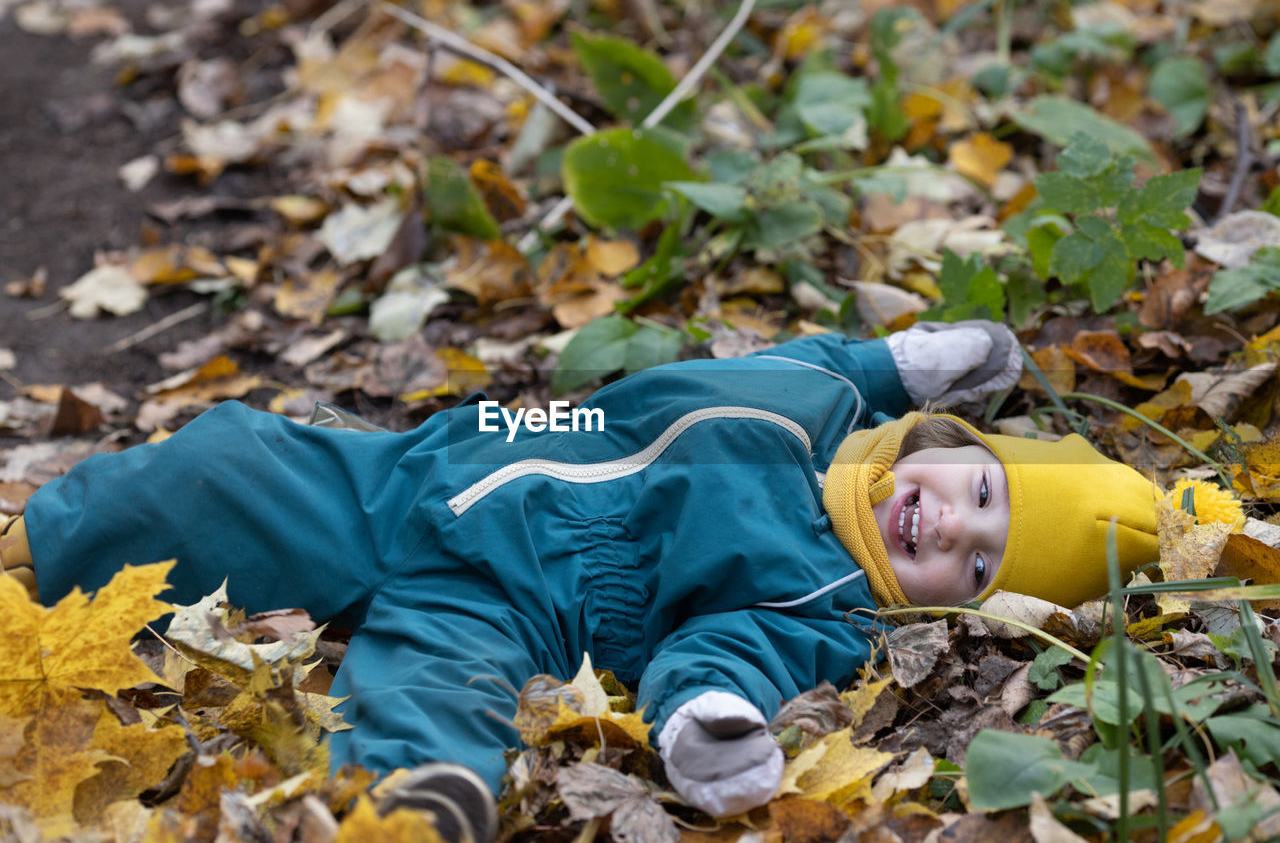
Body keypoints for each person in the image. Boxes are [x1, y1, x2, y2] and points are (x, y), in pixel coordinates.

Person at [0, 322, 1159, 840]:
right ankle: (31, 550)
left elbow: (729, 655)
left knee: (439, 690)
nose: (951, 529)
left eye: (976, 564)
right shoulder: (812, 406)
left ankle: (405, 810)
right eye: (983, 495)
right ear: (949, 446)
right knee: (227, 462)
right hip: (422, 470)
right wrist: (906, 355)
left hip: (514, 605)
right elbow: (821, 356)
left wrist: (707, 717)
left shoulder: (823, 603)